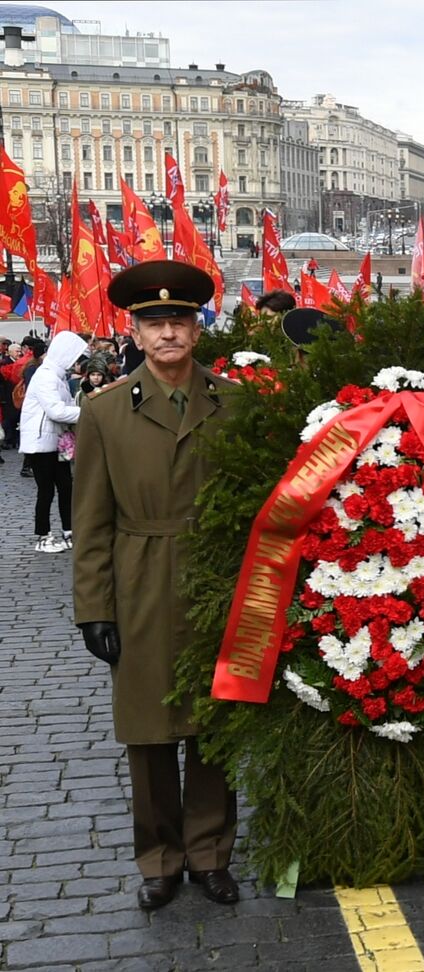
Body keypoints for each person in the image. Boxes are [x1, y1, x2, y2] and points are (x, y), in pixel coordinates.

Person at [73, 260, 241, 912]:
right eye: (154, 323)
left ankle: (210, 855)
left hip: (215, 586)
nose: (167, 332)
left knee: (214, 731)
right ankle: (161, 860)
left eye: (178, 319)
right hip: (139, 585)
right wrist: (94, 608)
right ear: (135, 334)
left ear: (197, 329)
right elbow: (90, 520)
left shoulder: (234, 402)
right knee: (147, 736)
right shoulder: (107, 413)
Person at [19, 330, 85, 553]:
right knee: (45, 490)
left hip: (59, 440)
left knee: (67, 487)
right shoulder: (46, 375)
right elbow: (56, 410)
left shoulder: (56, 376)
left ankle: (69, 531)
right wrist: (87, 411)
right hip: (42, 442)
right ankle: (43, 536)